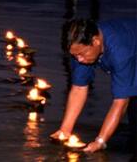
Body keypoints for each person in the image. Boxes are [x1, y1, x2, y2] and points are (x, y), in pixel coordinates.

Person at [51, 18, 136, 156]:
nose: (79, 60)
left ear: (96, 42)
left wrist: (101, 141)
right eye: (75, 55)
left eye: (81, 54)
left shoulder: (121, 52)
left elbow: (120, 102)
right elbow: (79, 88)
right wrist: (65, 130)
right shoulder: (81, 47)